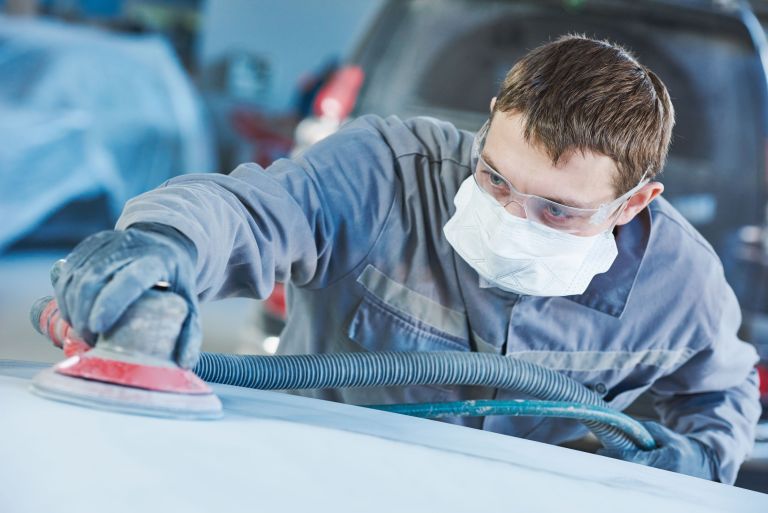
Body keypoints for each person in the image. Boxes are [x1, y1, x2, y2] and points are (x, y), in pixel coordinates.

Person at [53, 35, 760, 484]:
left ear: (633, 204)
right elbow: (247, 212)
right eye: (495, 179)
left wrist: (690, 468)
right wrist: (158, 250)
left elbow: (719, 393)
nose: (513, 219)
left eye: (556, 210)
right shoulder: (387, 170)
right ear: (488, 124)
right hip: (303, 483)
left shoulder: (678, 282)